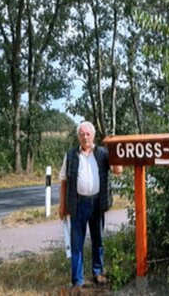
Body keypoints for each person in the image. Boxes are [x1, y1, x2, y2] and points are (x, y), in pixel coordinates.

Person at [59, 121, 122, 290]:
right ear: (78, 136)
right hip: (78, 204)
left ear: (93, 136)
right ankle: (77, 281)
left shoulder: (102, 153)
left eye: (88, 134)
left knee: (98, 240)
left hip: (97, 204)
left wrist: (116, 149)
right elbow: (63, 180)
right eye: (82, 134)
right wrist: (62, 205)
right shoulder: (71, 155)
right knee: (76, 243)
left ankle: (98, 272)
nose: (85, 137)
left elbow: (118, 171)